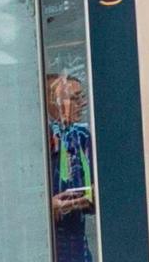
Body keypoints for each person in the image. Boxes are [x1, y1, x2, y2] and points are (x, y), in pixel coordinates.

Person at [46, 72, 99, 262]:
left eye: (81, 97)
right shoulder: (38, 142)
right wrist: (45, 208)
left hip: (78, 248)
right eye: (74, 98)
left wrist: (91, 196)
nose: (81, 104)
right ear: (53, 103)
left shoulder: (81, 136)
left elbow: (95, 195)